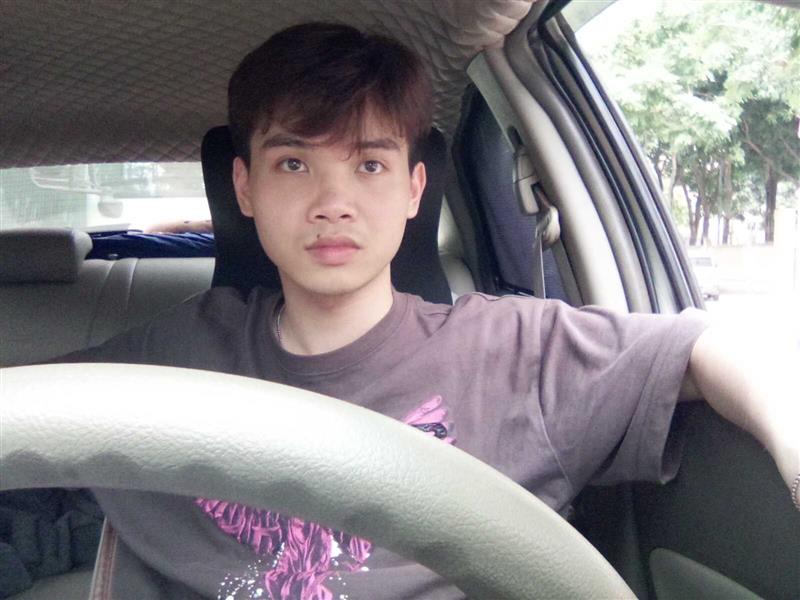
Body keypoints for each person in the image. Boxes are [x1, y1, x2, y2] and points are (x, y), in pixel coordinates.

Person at [58, 21, 797, 600]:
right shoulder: (180, 353)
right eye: (294, 163)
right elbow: (33, 418)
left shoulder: (510, 351)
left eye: (369, 164)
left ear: (415, 190)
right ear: (245, 188)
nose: (333, 203)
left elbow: (713, 348)